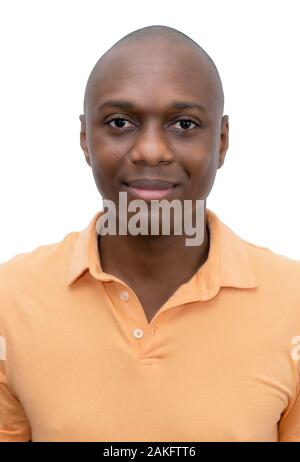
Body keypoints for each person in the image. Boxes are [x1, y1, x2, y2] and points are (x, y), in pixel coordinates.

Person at [0, 24, 299, 443]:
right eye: (120, 122)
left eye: (184, 124)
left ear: (222, 142)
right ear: (85, 138)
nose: (152, 150)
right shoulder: (10, 300)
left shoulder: (294, 302)